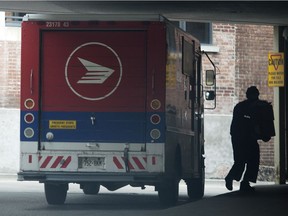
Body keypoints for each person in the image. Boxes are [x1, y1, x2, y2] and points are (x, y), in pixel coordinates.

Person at [225, 86, 274, 192]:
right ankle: (234, 179)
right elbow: (249, 122)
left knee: (249, 160)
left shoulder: (245, 107)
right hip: (241, 138)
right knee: (242, 161)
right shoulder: (244, 108)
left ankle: (243, 181)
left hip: (245, 138)